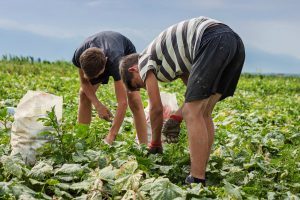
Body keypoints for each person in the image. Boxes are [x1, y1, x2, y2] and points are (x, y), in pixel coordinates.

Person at [119, 16, 245, 185]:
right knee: (203, 111)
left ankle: (196, 179)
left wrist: (155, 143)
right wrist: (177, 117)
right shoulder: (173, 59)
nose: (144, 88)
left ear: (133, 70)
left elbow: (156, 108)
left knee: (194, 112)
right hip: (233, 43)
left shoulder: (143, 61)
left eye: (138, 85)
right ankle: (201, 171)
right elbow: (192, 95)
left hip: (213, 39)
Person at [72, 31, 147, 145]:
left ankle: (143, 145)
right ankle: (81, 140)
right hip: (102, 54)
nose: (97, 79)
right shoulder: (80, 54)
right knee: (84, 94)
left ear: (105, 66)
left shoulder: (116, 62)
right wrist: (98, 105)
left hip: (125, 53)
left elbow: (122, 102)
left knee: (134, 100)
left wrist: (111, 135)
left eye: (98, 76)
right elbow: (84, 82)